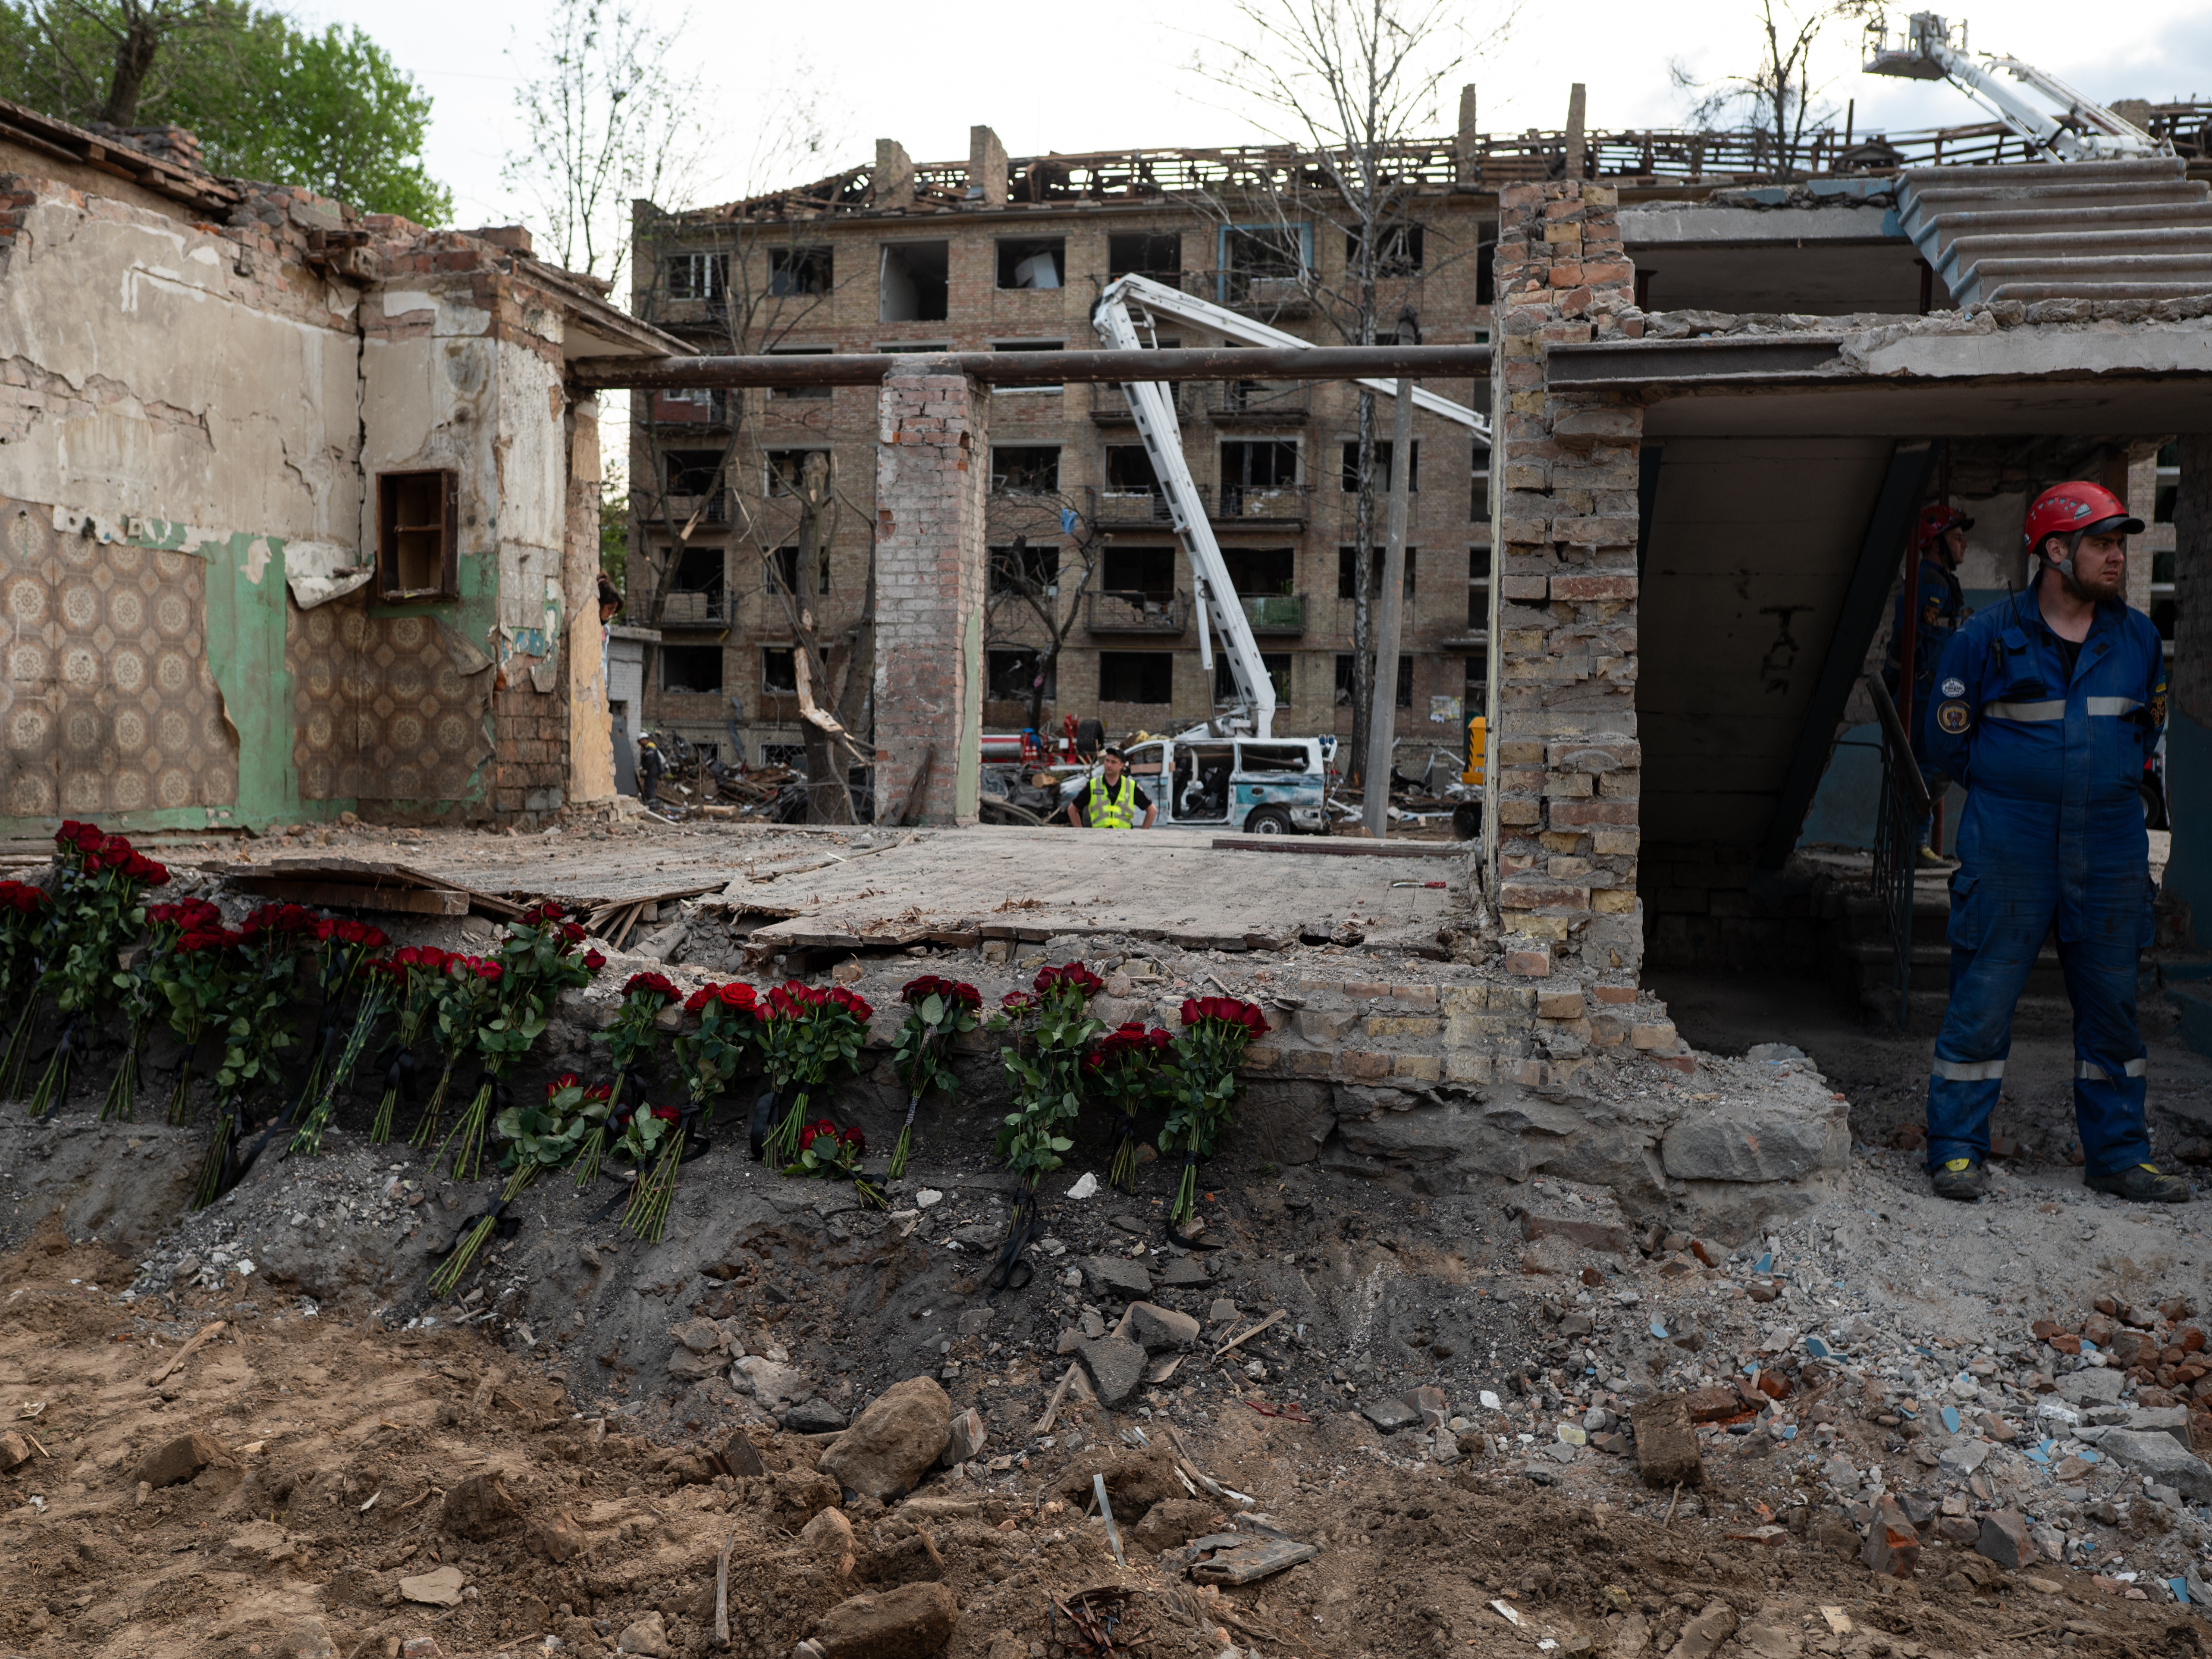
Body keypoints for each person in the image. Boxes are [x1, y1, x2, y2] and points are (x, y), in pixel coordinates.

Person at [1920, 481, 2187, 1205]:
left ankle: (2117, 1157)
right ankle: (1952, 1152)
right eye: (2099, 543)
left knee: (2111, 1009)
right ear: (2052, 550)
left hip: (2106, 846)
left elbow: (2143, 734)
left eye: (2117, 543)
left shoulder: (2133, 637)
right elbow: (1942, 744)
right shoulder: (1983, 636)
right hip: (2010, 841)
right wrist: (2011, 791)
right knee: (1981, 998)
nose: (2114, 557)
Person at [1884, 502, 1973, 866]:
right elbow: (1913, 633)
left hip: (1932, 686)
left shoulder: (1938, 579)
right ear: (1936, 543)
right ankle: (1912, 846)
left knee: (1934, 764)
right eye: (1957, 537)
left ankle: (1912, 842)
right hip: (1922, 688)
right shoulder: (1931, 580)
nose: (1963, 544)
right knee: (1923, 764)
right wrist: (1913, 678)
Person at [1068, 745, 1156, 830]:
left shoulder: (1131, 786)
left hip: (1125, 838)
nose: (1109, 765)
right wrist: (1079, 832)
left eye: (1114, 762)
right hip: (1098, 837)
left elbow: (1152, 810)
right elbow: (1072, 809)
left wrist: (1143, 834)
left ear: (1122, 765)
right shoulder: (1093, 785)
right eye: (1107, 761)